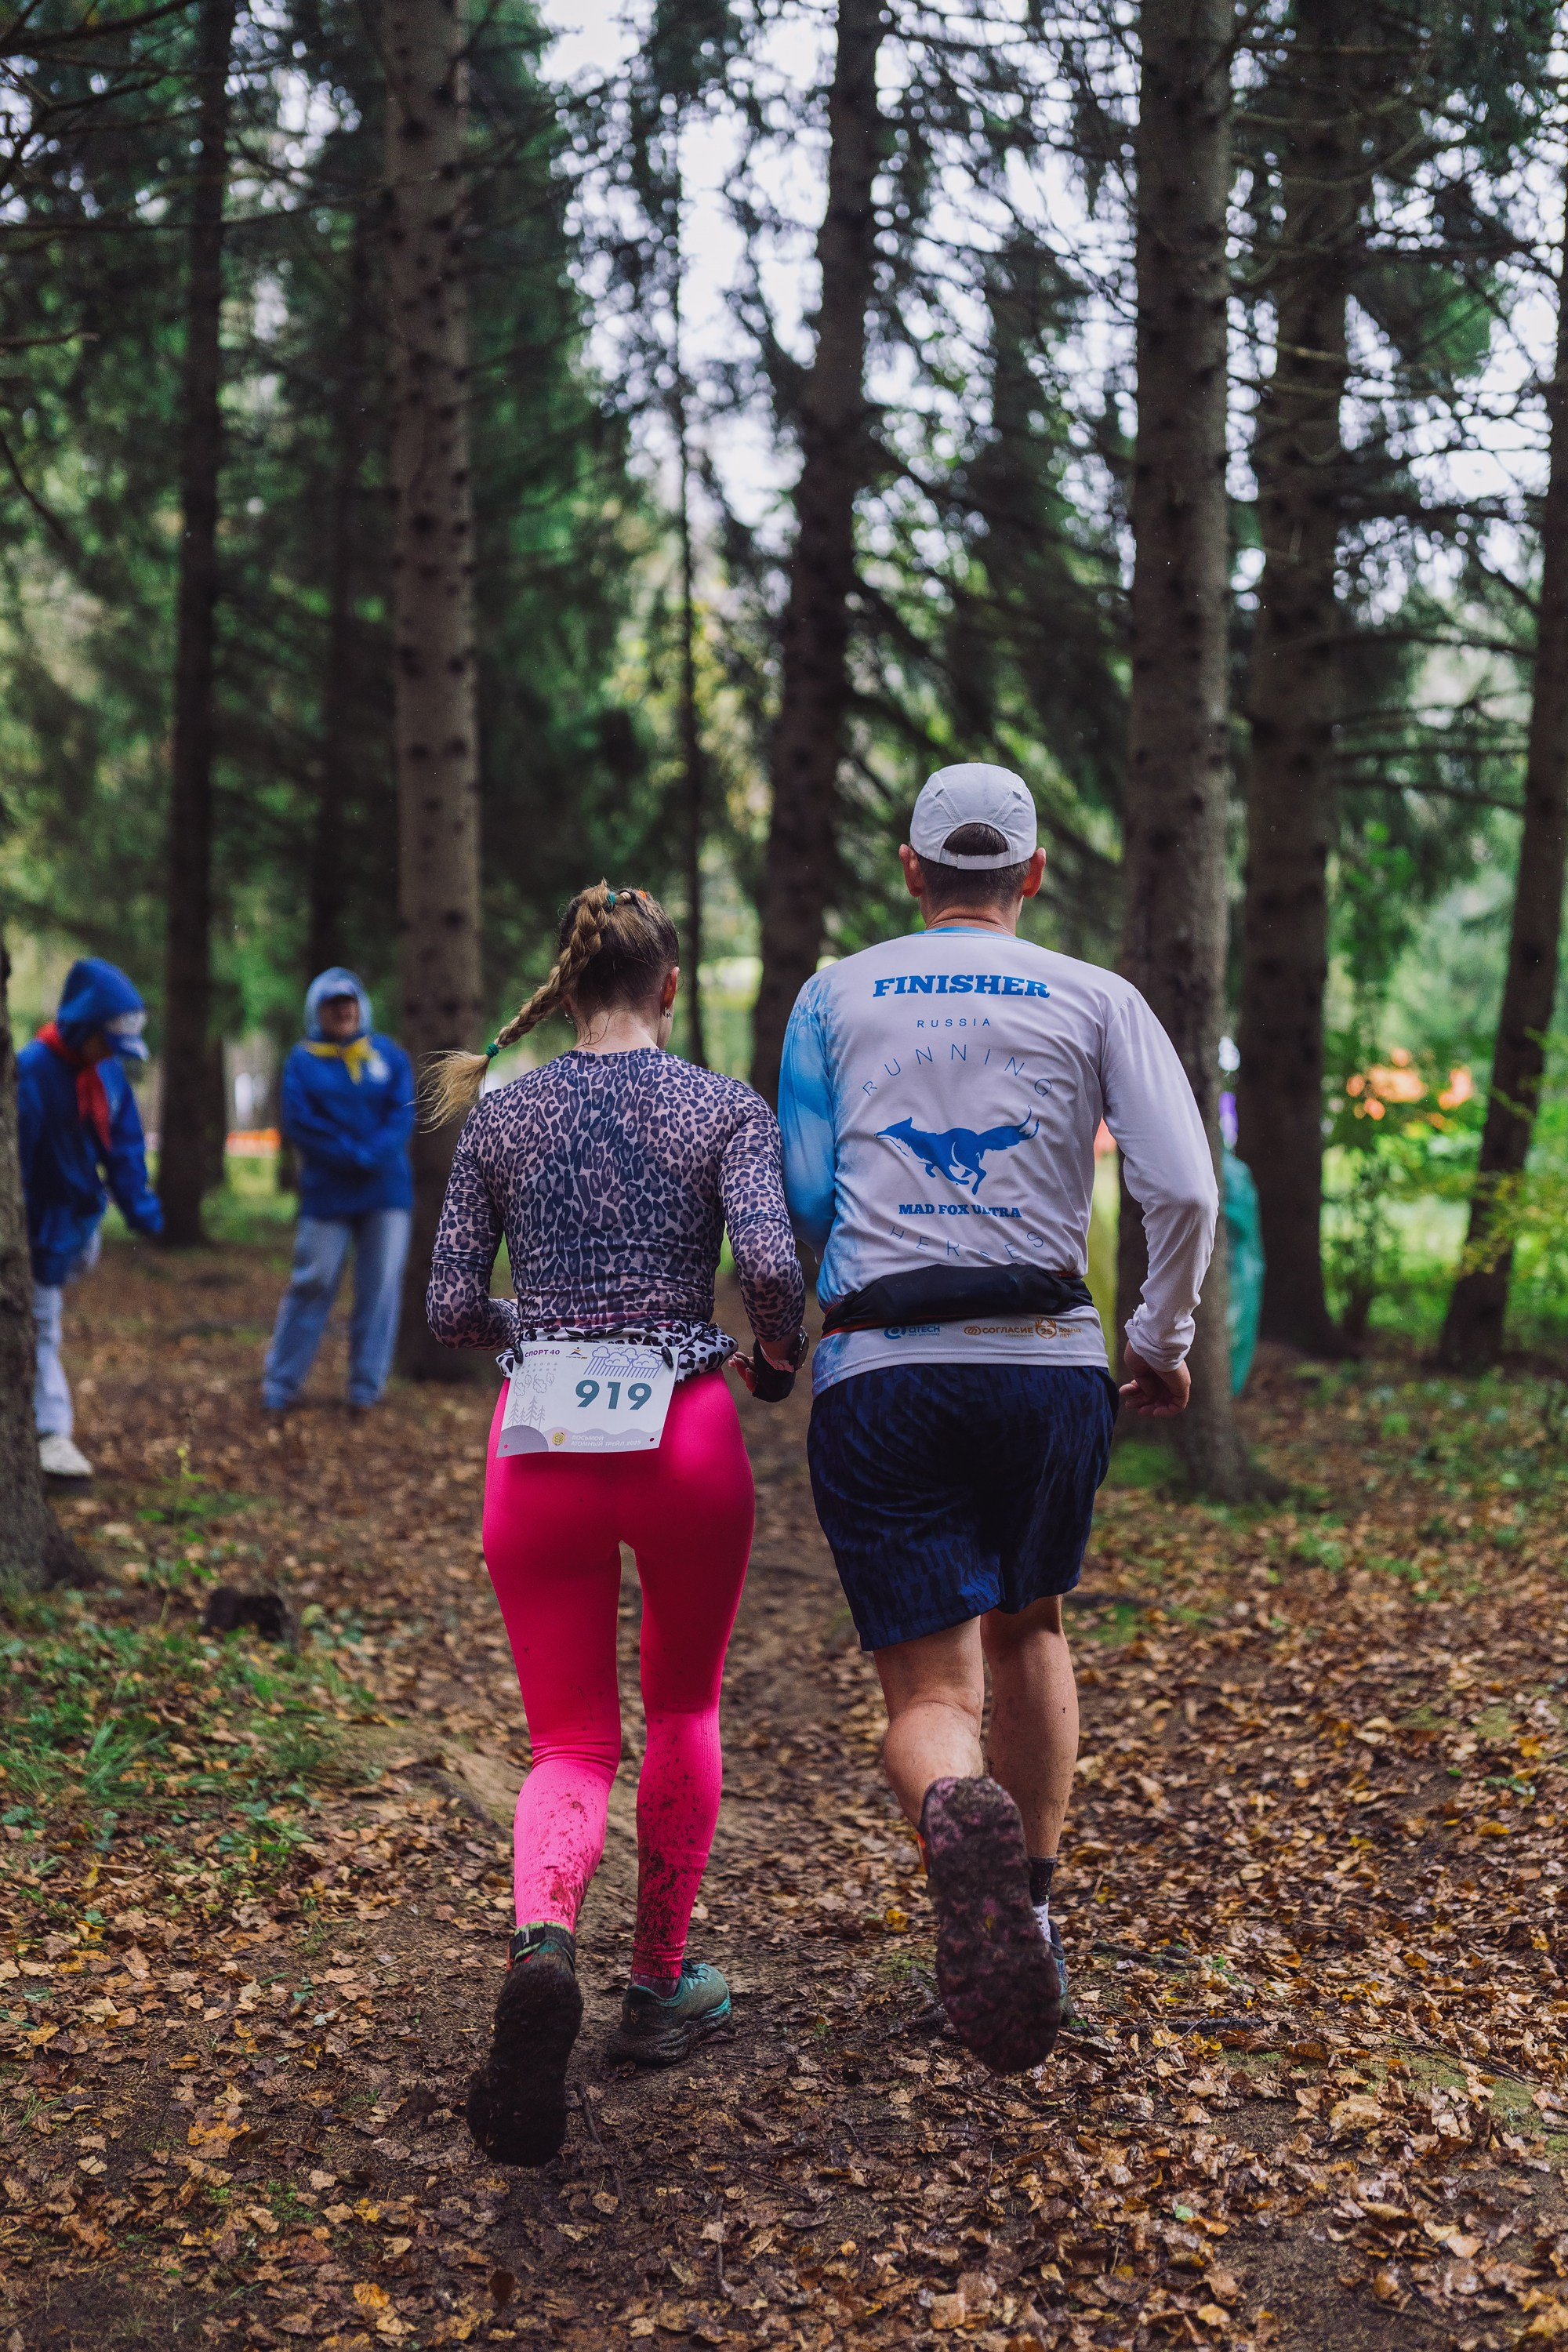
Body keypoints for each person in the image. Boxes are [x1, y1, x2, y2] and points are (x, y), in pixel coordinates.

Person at [779, 764, 1217, 2074]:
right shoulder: (1098, 997)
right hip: (1045, 1357)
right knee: (1033, 1624)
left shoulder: (831, 993)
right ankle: (1026, 1912)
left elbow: (806, 1194)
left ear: (908, 870)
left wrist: (818, 1298)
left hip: (885, 1365)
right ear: (1031, 876)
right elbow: (1182, 1190)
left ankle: (951, 1803)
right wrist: (1160, 1341)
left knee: (927, 1682)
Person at [424, 883, 806, 2166]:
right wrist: (772, 1360)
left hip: (538, 1443)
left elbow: (446, 1307)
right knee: (684, 1710)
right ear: (669, 988)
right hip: (685, 1434)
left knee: (570, 1739)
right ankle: (656, 1987)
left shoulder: (504, 1115)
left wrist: (535, 1332)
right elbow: (770, 1268)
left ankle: (543, 1947)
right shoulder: (718, 1108)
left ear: (569, 983)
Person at [18, 957, 164, 1480]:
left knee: (47, 1311)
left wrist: (143, 1212)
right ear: (83, 1028)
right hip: (39, 1225)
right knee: (41, 1320)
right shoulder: (32, 1071)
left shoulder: (107, 1072)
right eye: (106, 1043)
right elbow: (21, 1162)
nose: (111, 1056)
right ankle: (51, 1432)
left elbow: (124, 1147)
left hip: (82, 1220)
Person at [261, 968, 415, 1414]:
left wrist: (371, 1154)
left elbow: (402, 1113)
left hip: (386, 1192)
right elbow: (301, 1122)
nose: (343, 1010)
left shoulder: (388, 1055)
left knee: (381, 1287)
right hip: (326, 1192)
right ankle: (280, 1386)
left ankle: (365, 1390)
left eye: (349, 1001)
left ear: (361, 1005)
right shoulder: (302, 1061)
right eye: (332, 1003)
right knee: (314, 1280)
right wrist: (350, 1153)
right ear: (317, 1011)